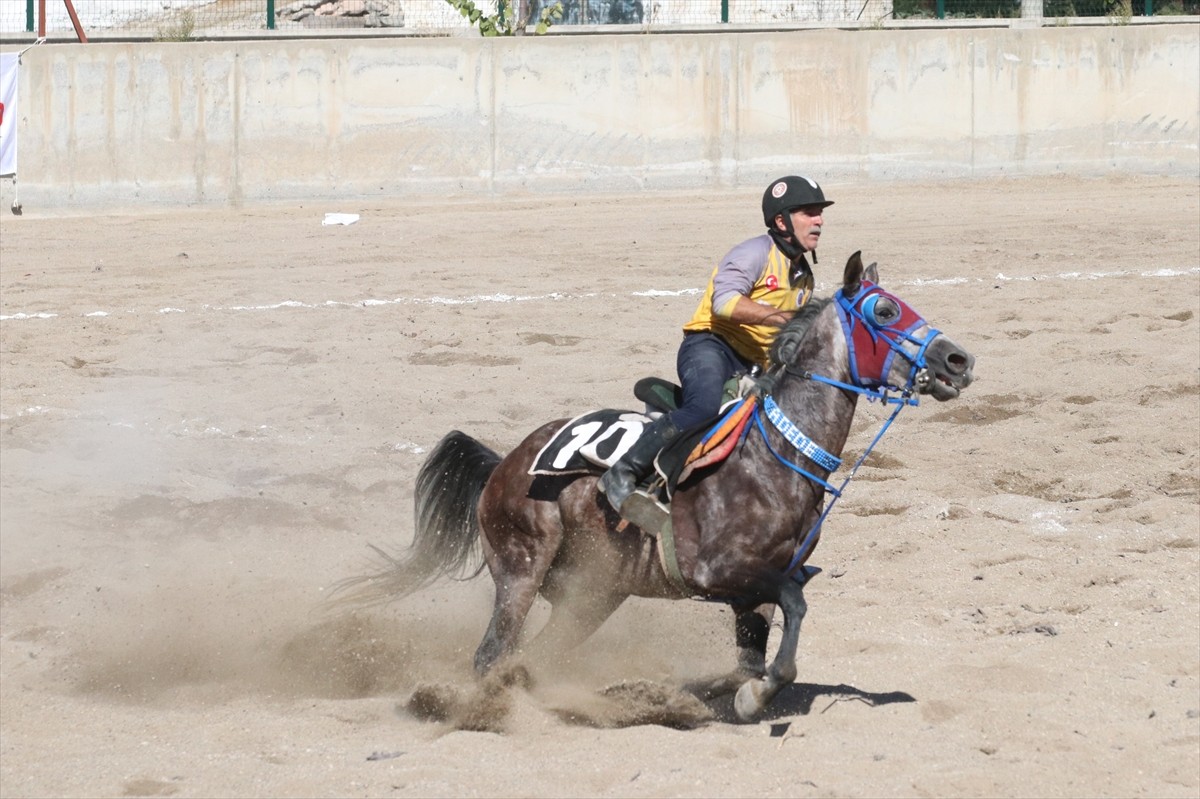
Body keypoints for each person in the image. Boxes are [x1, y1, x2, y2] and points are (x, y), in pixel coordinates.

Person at [598, 174, 834, 517]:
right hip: (709, 346)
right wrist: (779, 318)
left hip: (753, 365)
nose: (819, 221)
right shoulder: (754, 253)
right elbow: (724, 303)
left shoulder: (803, 276)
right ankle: (623, 471)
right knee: (705, 408)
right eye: (809, 213)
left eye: (820, 213)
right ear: (782, 221)